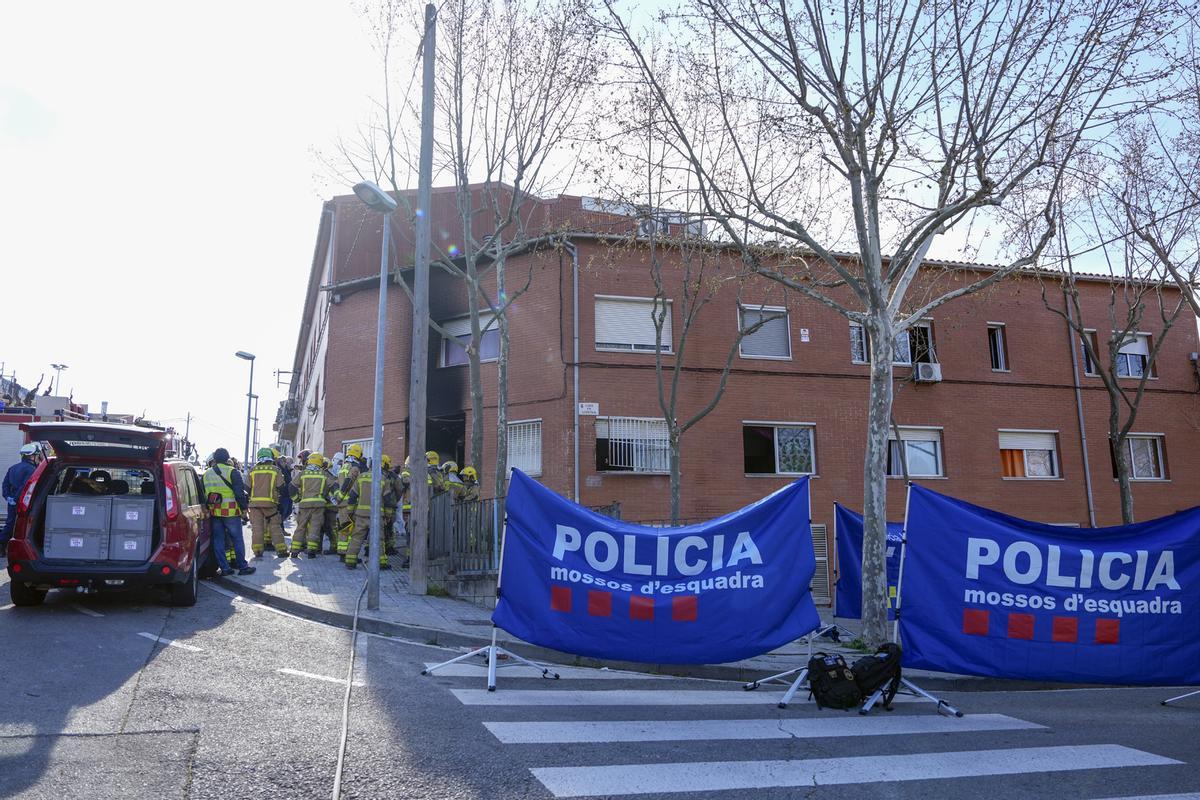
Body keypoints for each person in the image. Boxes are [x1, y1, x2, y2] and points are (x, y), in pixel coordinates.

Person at [202, 448, 255, 576]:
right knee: (237, 539)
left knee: (218, 540)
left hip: (215, 512)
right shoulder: (233, 472)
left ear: (214, 459)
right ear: (227, 458)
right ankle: (242, 567)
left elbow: (204, 494)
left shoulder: (206, 473)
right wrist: (244, 509)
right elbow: (239, 493)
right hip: (231, 512)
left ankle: (225, 569)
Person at [344, 459, 392, 571]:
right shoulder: (383, 479)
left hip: (361, 515)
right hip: (377, 516)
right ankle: (381, 563)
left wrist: (350, 512)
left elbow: (352, 496)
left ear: (369, 466)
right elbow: (388, 499)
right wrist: (388, 515)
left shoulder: (361, 477)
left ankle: (350, 561)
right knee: (379, 539)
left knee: (356, 538)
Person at [247, 447, 288, 558]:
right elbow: (281, 487)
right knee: (275, 527)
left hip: (254, 505)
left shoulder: (252, 470)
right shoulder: (275, 470)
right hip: (270, 505)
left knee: (257, 528)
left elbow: (246, 488)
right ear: (270, 458)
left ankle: (258, 551)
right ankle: (281, 551)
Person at [2, 444, 41, 553]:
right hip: (23, 502)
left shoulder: (13, 468)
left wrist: (8, 497)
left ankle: (1, 547)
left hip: (12, 502)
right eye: (37, 455)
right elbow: (24, 486)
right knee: (22, 526)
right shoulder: (32, 469)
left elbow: (5, 484)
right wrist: (16, 498)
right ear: (32, 456)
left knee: (9, 523)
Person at [291, 452, 331, 558]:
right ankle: (311, 551)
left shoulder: (303, 473)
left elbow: (291, 487)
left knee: (301, 527)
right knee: (315, 527)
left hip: (304, 505)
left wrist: (297, 499)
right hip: (319, 505)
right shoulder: (324, 474)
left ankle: (294, 550)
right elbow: (333, 486)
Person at [335, 445, 365, 559]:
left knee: (344, 527)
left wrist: (338, 497)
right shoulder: (354, 467)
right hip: (350, 503)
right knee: (352, 529)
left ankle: (342, 552)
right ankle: (348, 554)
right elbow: (348, 481)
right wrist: (341, 496)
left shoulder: (343, 466)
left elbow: (337, 483)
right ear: (358, 454)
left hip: (342, 503)